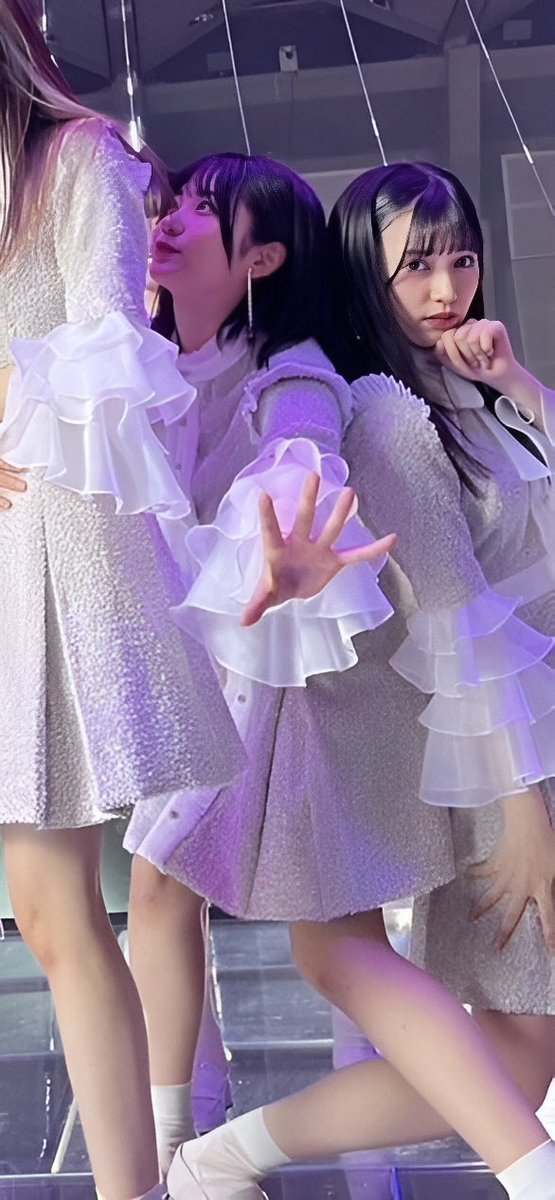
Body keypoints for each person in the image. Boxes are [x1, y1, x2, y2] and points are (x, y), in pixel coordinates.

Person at [123, 153, 555, 1200]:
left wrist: (518, 386)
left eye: (462, 259)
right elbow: (453, 622)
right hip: (499, 755)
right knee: (511, 1050)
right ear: (366, 269)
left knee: (515, 1059)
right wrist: (523, 809)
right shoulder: (386, 414)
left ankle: (215, 1157)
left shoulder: (472, 391)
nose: (447, 288)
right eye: (417, 266)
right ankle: (211, 1152)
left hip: (518, 739)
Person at [0, 8, 353, 1199]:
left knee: (90, 900)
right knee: (61, 907)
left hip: (68, 558)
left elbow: (108, 347)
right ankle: (161, 1162)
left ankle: (155, 1168)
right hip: (38, 551)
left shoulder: (80, 158)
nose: (180, 221)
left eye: (207, 213)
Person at [125, 150, 396, 1175]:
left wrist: (290, 517)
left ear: (263, 257)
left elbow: (302, 440)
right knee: (183, 890)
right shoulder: (146, 367)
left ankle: (191, 1150)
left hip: (284, 678)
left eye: (205, 209)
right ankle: (194, 1136)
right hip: (195, 668)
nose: (172, 220)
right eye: (176, 203)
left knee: (324, 919)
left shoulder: (289, 369)